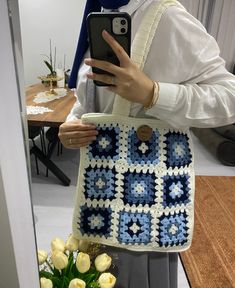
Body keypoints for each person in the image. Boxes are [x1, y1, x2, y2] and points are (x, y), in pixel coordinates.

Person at [58, 0, 235, 287]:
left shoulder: (168, 17)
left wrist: (153, 93)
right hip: (99, 193)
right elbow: (88, 94)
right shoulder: (98, 14)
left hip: (145, 204)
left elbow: (229, 97)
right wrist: (72, 123)